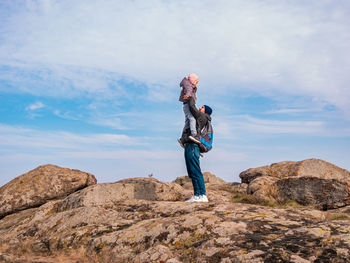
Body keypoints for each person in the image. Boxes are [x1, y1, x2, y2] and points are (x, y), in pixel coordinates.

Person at [180, 96, 213, 202]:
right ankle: (197, 195)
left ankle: (202, 195)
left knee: (195, 170)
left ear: (205, 111)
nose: (200, 108)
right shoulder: (202, 117)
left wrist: (190, 97)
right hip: (190, 145)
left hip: (193, 145)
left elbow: (192, 106)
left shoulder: (202, 117)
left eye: (202, 107)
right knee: (192, 171)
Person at [178, 73, 200, 145]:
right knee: (192, 118)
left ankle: (182, 138)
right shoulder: (189, 84)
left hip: (186, 105)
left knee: (187, 121)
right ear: (192, 80)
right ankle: (194, 134)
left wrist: (193, 97)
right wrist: (188, 95)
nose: (197, 83)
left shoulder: (190, 85)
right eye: (196, 81)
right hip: (187, 104)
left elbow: (190, 91)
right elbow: (188, 89)